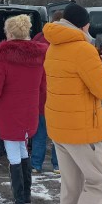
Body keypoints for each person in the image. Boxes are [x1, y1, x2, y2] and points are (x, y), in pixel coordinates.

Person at [43, 3, 102, 204]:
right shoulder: (83, 49)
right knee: (100, 182)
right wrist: (97, 63)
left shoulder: (54, 46)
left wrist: (96, 61)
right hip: (80, 127)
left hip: (59, 125)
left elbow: (74, 78)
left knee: (71, 186)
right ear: (84, 25)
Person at [0, 14, 47, 204]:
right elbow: (43, 87)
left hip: (9, 112)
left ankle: (19, 203)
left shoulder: (3, 59)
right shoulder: (39, 57)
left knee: (13, 153)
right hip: (30, 111)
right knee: (23, 150)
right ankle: (26, 197)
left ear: (10, 34)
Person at [29, 10, 62, 174]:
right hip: (58, 95)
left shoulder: (38, 39)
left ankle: (36, 164)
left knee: (39, 133)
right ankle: (58, 165)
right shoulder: (65, 42)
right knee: (58, 135)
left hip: (40, 94)